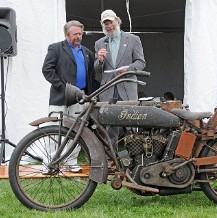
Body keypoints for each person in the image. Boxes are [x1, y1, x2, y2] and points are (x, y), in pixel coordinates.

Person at [42, 20, 95, 173]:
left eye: (80, 33)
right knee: (55, 130)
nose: (78, 36)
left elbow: (91, 73)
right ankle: (50, 163)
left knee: (77, 130)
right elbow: (47, 70)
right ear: (67, 34)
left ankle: (71, 162)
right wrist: (62, 86)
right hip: (60, 96)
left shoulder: (86, 52)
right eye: (75, 34)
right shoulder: (56, 48)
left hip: (80, 97)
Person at [94, 9, 146, 149]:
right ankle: (111, 158)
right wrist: (99, 60)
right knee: (109, 127)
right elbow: (97, 70)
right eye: (106, 24)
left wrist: (128, 69)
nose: (109, 26)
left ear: (117, 21)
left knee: (131, 123)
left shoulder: (133, 39)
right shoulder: (99, 43)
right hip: (108, 89)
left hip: (127, 86)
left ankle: (133, 158)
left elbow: (141, 62)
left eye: (111, 22)